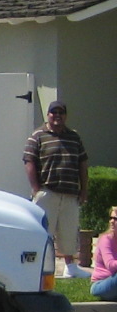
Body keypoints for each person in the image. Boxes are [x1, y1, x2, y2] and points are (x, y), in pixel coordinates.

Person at [26, 100, 90, 276]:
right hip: (48, 192)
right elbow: (29, 161)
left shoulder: (74, 137)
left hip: (70, 194)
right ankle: (38, 268)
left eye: (61, 113)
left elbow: (82, 164)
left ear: (65, 116)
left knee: (69, 233)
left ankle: (70, 268)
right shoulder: (38, 135)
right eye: (54, 113)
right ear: (48, 115)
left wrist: (84, 189)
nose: (57, 116)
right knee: (42, 233)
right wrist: (36, 189)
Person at [90, 206, 117, 302]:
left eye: (115, 219)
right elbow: (110, 265)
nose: (112, 221)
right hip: (100, 284)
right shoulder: (105, 239)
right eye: (111, 218)